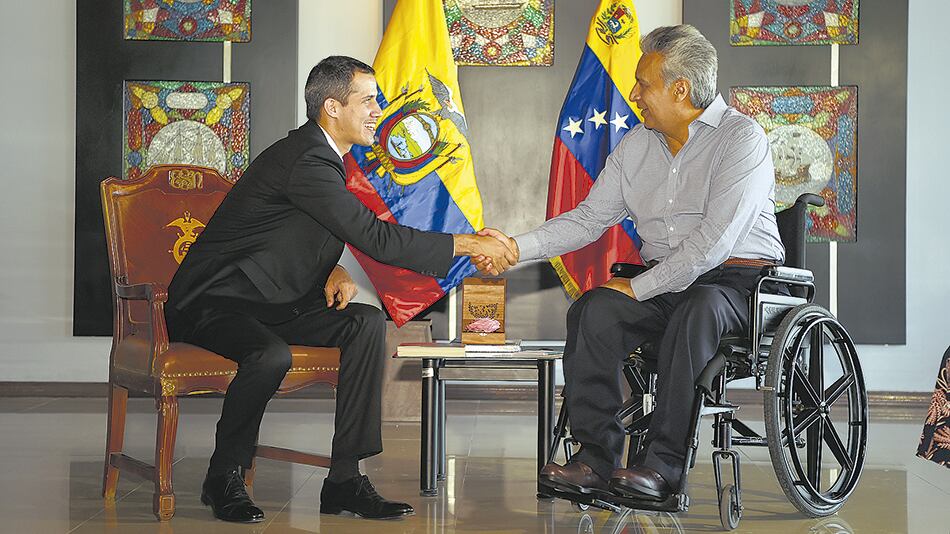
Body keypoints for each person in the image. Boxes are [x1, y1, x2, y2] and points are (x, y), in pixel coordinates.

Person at [165, 55, 516, 523]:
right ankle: (222, 474)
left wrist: (330, 269)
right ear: (332, 107)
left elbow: (291, 229)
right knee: (270, 355)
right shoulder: (308, 159)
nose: (379, 109)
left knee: (365, 323)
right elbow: (375, 237)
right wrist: (468, 241)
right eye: (368, 100)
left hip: (271, 297)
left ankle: (345, 480)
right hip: (216, 301)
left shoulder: (322, 156)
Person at [478, 25, 784, 502]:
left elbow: (711, 247)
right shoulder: (637, 144)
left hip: (738, 283)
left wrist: (640, 290)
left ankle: (661, 469)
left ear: (680, 89)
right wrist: (515, 247)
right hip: (664, 282)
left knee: (698, 306)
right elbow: (587, 220)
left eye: (644, 84)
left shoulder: (741, 139)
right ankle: (593, 460)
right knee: (593, 310)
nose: (634, 94)